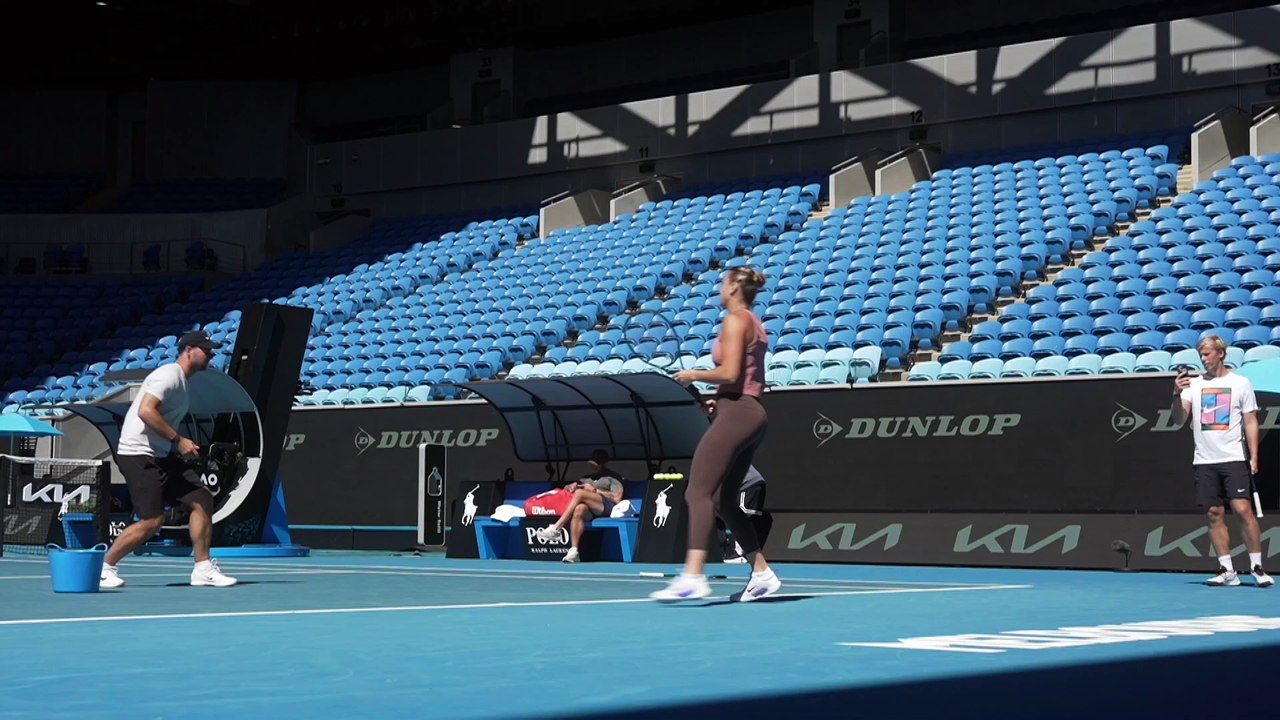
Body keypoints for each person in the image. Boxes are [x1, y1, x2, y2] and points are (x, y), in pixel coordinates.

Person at [651, 266, 780, 602]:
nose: (720, 289)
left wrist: (694, 373)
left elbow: (730, 371)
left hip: (738, 415)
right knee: (724, 499)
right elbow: (744, 380)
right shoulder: (755, 323)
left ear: (735, 287)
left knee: (697, 493)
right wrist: (718, 401)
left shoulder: (736, 319)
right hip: (747, 412)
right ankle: (762, 573)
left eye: (723, 283)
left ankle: (694, 575)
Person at [100, 330, 238, 589]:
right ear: (189, 351)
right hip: (138, 455)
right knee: (152, 521)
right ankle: (105, 567)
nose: (211, 354)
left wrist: (176, 444)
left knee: (201, 499)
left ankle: (202, 569)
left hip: (160, 455)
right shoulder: (168, 375)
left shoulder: (183, 382)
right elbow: (145, 411)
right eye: (206, 349)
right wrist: (179, 440)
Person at [1172, 335, 1273, 588]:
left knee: (1242, 510)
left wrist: (1254, 456)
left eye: (1207, 354)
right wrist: (1176, 393)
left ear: (1221, 353)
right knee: (1213, 513)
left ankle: (1257, 567)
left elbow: (1251, 421)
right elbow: (1178, 419)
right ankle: (1227, 570)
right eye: (1201, 355)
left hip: (1234, 458)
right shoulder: (1192, 386)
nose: (1203, 359)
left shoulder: (1240, 383)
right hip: (1205, 460)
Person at [535, 450, 625, 562]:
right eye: (593, 465)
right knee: (579, 510)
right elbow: (567, 489)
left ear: (604, 464)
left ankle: (556, 528)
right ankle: (574, 551)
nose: (595, 467)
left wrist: (595, 490)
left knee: (579, 494)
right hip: (589, 509)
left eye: (597, 465)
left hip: (607, 506)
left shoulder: (613, 478)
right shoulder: (586, 478)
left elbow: (617, 498)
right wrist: (570, 486)